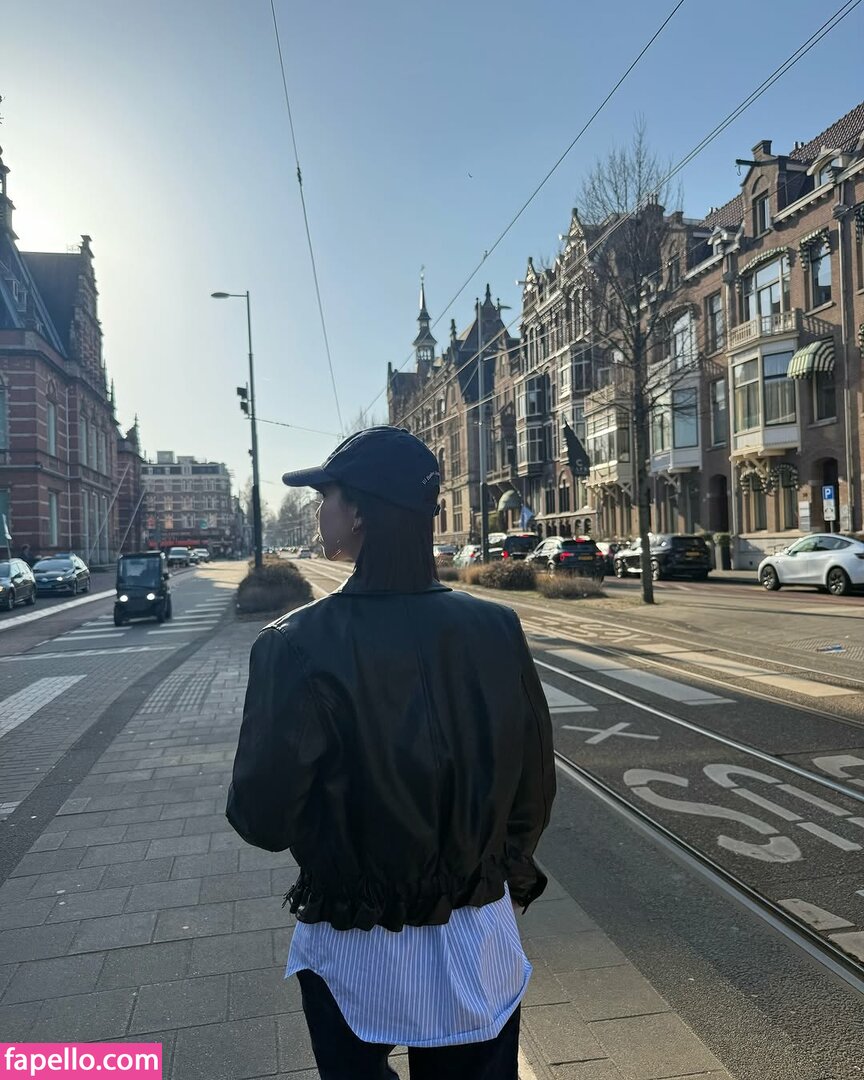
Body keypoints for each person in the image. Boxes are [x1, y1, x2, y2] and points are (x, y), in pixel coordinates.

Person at [227, 426, 555, 1080]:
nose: (318, 510)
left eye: (326, 495)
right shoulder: (497, 628)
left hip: (353, 944)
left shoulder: (294, 645)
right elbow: (533, 785)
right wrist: (507, 879)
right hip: (478, 937)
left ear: (359, 512)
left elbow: (262, 820)